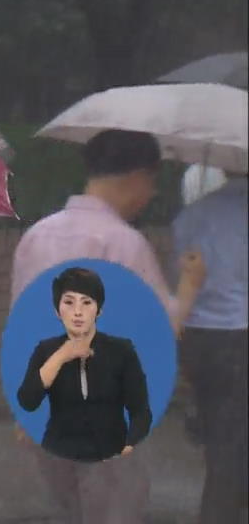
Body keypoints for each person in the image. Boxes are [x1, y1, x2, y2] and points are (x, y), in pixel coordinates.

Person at [10, 129, 206, 524]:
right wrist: (189, 286)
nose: (150, 194)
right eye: (151, 181)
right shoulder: (123, 243)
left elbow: (21, 325)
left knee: (71, 509)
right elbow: (162, 329)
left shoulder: (36, 237)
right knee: (113, 510)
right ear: (138, 177)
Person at [172, 170, 248, 524]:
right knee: (229, 442)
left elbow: (183, 274)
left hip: (196, 334)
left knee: (218, 430)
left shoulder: (189, 215)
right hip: (237, 334)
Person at [17, 268, 151, 462]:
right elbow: (27, 401)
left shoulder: (121, 350)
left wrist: (129, 446)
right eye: (69, 303)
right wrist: (62, 355)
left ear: (99, 309)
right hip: (59, 455)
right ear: (57, 311)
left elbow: (140, 411)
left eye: (87, 302)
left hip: (111, 453)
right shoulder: (46, 351)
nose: (77, 312)